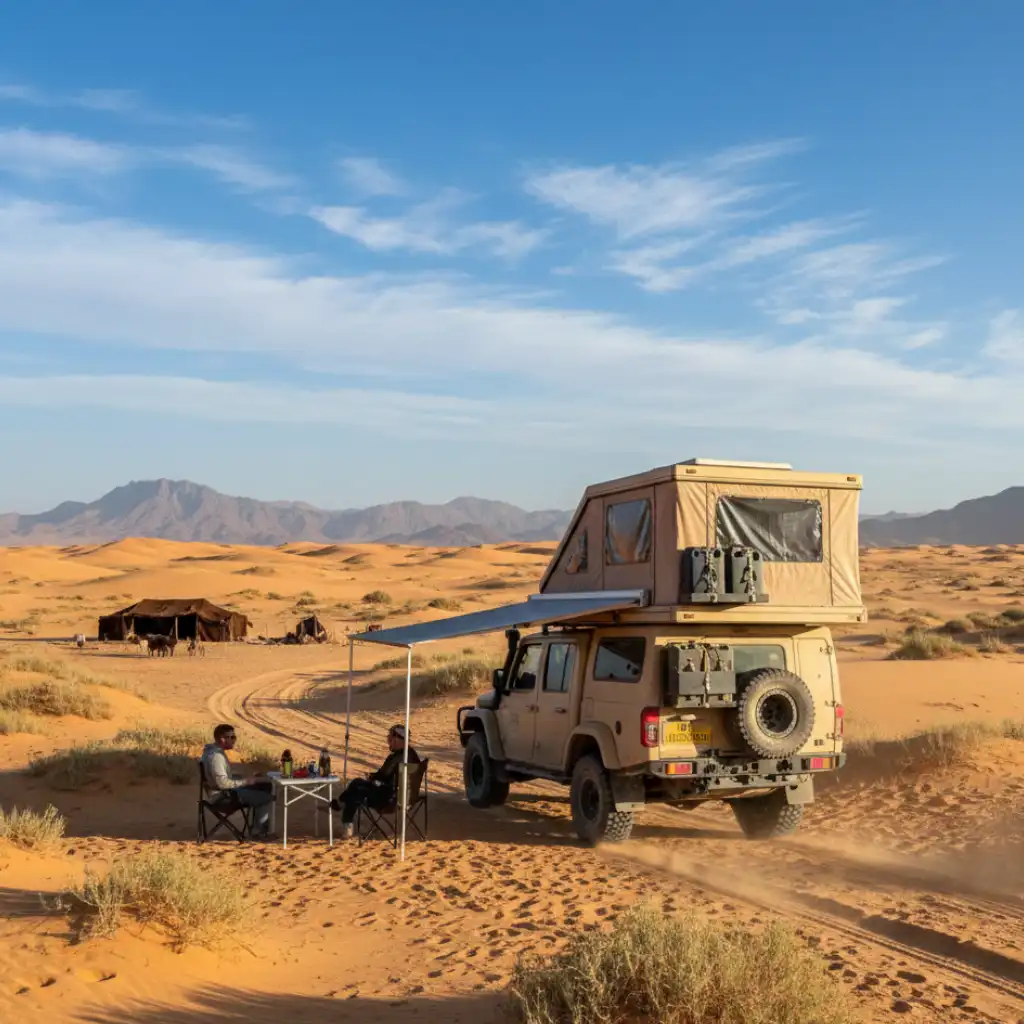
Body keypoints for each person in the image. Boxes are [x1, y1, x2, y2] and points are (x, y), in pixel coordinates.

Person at [331, 723, 420, 839]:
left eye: (391, 738)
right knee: (357, 785)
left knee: (356, 789)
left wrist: (372, 777)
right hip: (408, 799)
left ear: (398, 739)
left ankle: (345, 818)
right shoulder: (413, 755)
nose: (388, 741)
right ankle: (341, 804)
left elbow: (383, 775)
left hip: (388, 800)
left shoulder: (397, 757)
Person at [201, 724, 275, 839]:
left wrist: (247, 778)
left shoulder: (211, 751)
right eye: (231, 737)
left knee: (264, 785)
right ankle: (259, 833)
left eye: (234, 737)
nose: (234, 740)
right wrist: (245, 782)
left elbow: (222, 779)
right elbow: (222, 783)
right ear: (222, 739)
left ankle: (254, 827)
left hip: (223, 793)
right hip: (223, 798)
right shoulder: (216, 757)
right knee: (267, 798)